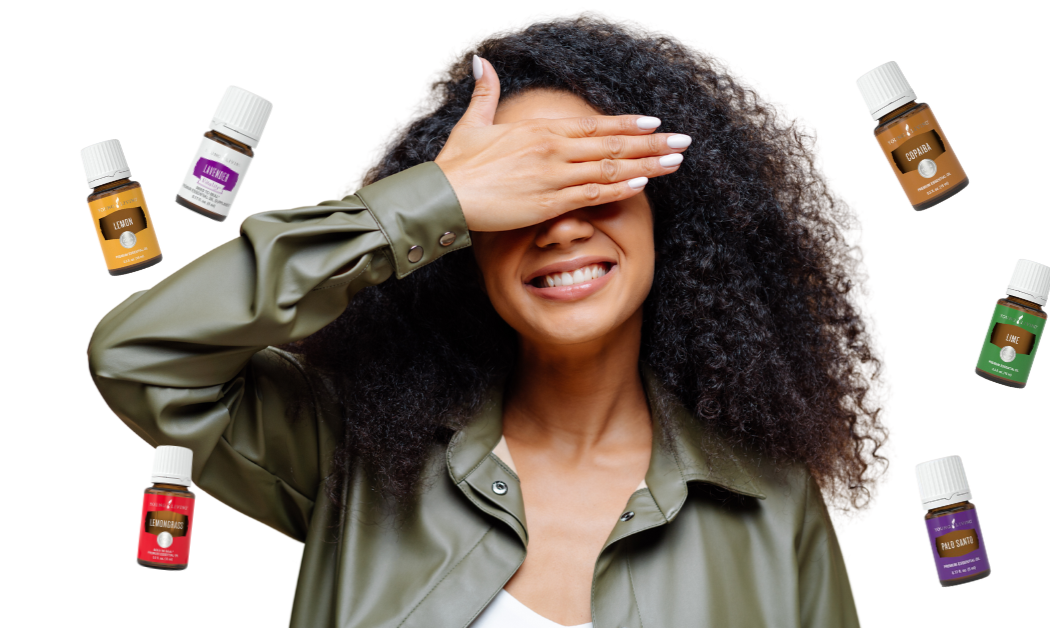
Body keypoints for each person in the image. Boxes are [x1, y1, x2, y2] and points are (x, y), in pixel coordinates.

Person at [89, 17, 884, 628]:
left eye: (594, 178)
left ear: (666, 215)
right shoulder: (356, 452)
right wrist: (428, 201)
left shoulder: (770, 501)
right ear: (461, 240)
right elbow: (141, 356)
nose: (562, 226)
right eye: (520, 195)